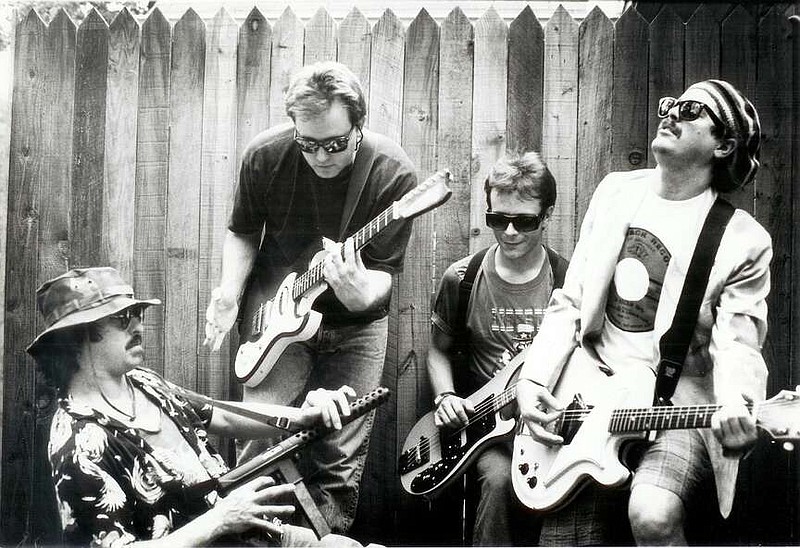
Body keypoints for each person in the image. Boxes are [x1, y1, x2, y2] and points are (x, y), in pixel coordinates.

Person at [516, 79, 770, 545]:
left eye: (691, 110)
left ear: (724, 144)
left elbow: (739, 346)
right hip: (585, 400)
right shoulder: (615, 192)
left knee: (652, 515)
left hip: (675, 410)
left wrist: (741, 407)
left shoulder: (742, 241)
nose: (670, 112)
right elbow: (571, 301)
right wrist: (533, 381)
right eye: (670, 104)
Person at [202, 61, 418, 533]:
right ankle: (251, 543)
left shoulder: (392, 174)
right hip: (274, 320)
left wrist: (360, 294)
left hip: (356, 326)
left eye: (335, 144)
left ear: (359, 126)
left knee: (339, 455)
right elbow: (241, 230)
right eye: (309, 144)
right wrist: (229, 293)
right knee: (261, 442)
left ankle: (327, 542)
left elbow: (383, 273)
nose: (321, 156)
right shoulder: (265, 155)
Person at [28, 266, 368, 547]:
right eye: (123, 318)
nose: (139, 325)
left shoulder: (144, 383)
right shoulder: (76, 443)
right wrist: (219, 520)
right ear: (77, 336)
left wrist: (299, 417)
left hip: (247, 534)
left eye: (138, 314)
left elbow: (220, 415)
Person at [427, 152, 568, 546]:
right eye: (496, 219)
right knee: (499, 482)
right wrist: (446, 397)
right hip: (489, 431)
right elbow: (438, 350)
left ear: (547, 215)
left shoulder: (568, 281)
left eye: (523, 221)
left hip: (550, 427)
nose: (508, 232)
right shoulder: (462, 278)